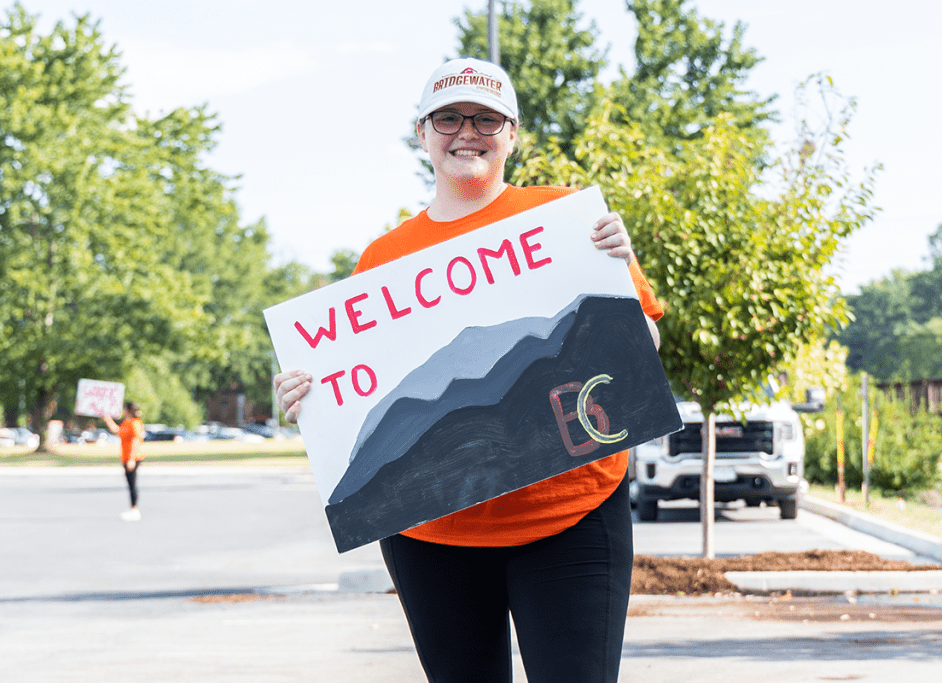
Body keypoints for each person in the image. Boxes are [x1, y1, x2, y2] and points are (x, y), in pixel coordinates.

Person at [274, 57, 662, 683]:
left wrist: (620, 268)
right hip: (433, 536)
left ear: (512, 133)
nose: (467, 133)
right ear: (422, 134)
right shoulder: (383, 260)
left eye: (485, 119)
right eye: (449, 118)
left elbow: (643, 348)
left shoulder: (567, 221)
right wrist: (307, 400)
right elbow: (356, 393)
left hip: (572, 515)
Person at [103, 401, 145, 522]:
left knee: (132, 483)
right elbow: (117, 431)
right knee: (129, 483)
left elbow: (135, 441)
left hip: (133, 458)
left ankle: (134, 509)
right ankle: (132, 508)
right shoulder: (126, 423)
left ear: (128, 410)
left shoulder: (135, 423)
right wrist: (108, 419)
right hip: (126, 457)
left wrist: (131, 459)